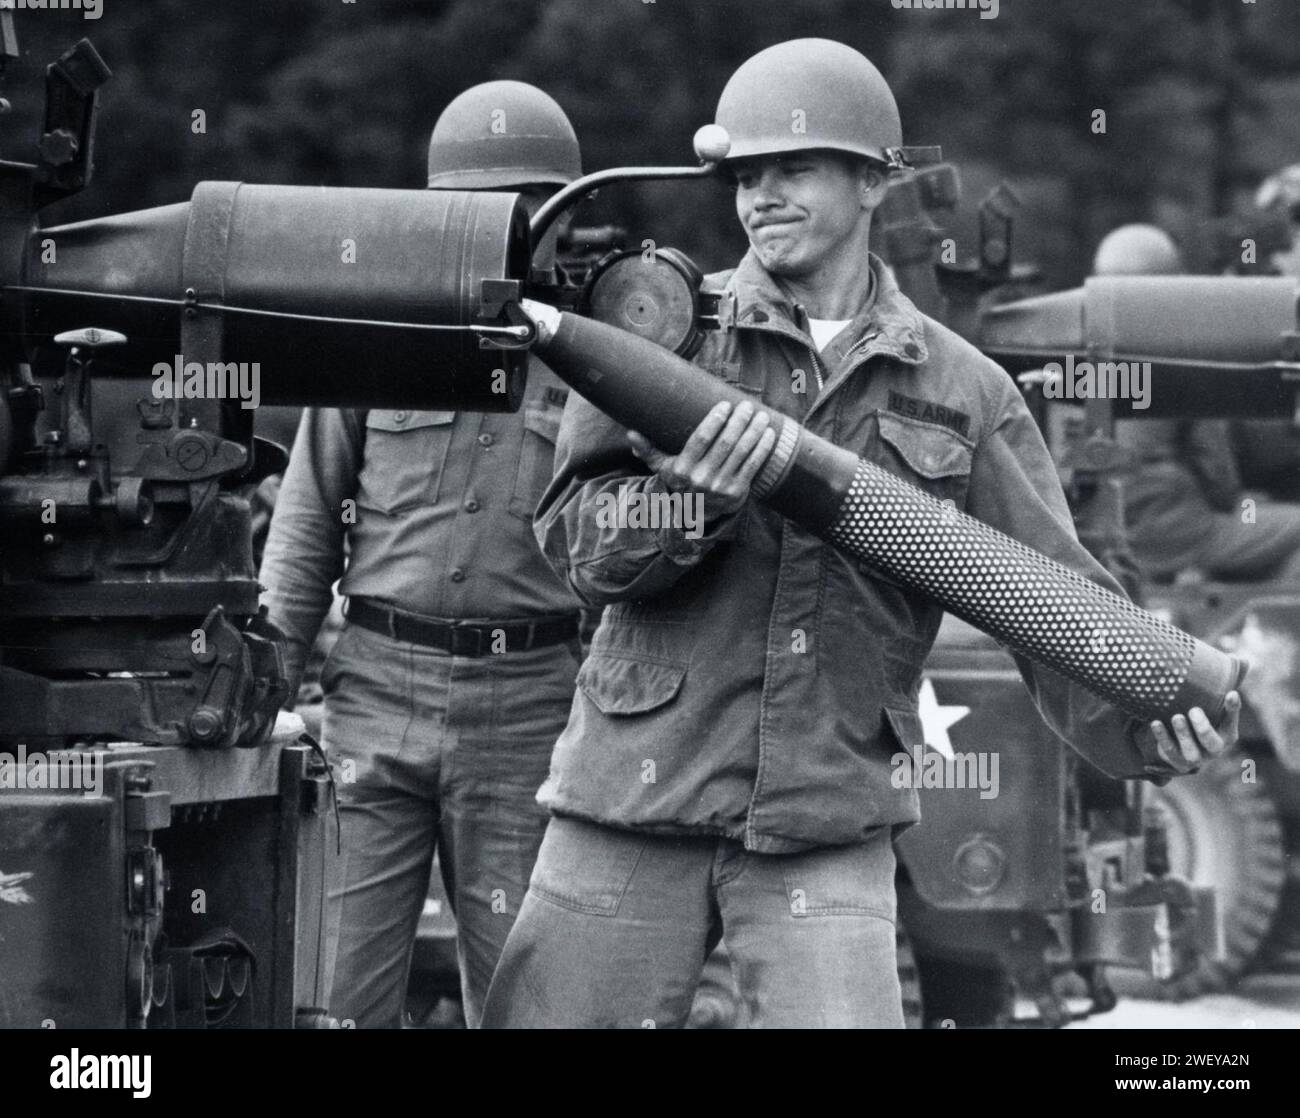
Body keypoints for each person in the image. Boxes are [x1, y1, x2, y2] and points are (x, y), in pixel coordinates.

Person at [481, 39, 1239, 1029]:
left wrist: (1145, 718)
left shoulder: (962, 389)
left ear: (874, 180)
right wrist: (686, 502)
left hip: (827, 812)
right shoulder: (661, 335)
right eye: (746, 175)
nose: (760, 197)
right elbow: (577, 548)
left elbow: (1050, 599)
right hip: (630, 798)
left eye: (791, 168)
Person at [258, 81, 587, 1028]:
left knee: (527, 997)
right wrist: (269, 685)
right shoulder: (377, 337)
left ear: (565, 218)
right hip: (372, 690)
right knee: (331, 994)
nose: (505, 228)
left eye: (531, 205)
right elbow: (308, 520)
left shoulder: (600, 354)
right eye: (476, 208)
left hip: (531, 702)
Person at [1098, 224, 1300, 583]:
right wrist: (1241, 505)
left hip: (1101, 525)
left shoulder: (1074, 344)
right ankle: (1266, 635)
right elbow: (1217, 470)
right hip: (1175, 530)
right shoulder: (1181, 347)